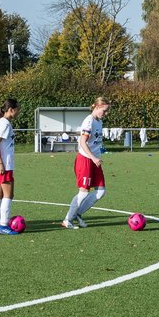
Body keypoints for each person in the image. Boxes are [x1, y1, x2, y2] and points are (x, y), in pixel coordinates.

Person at [62, 96, 110, 229]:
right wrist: (93, 158)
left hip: (95, 161)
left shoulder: (99, 122)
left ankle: (77, 213)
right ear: (97, 106)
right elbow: (82, 142)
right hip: (86, 160)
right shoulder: (89, 121)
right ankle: (67, 220)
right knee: (83, 192)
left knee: (101, 192)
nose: (105, 114)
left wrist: (96, 157)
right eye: (104, 111)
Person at [0, 98, 20, 235]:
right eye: (17, 109)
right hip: (3, 166)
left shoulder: (1, 122)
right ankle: (4, 225)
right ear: (11, 109)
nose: (18, 112)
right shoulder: (5, 123)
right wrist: (1, 162)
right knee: (8, 194)